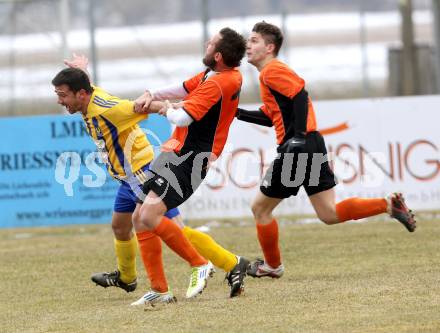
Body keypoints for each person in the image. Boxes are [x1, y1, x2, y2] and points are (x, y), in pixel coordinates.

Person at [51, 49, 247, 306]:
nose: (60, 101)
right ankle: (128, 278)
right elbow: (87, 89)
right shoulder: (88, 96)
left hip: (141, 172)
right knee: (121, 226)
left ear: (81, 94)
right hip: (126, 176)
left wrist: (172, 109)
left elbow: (139, 106)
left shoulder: (107, 109)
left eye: (62, 96)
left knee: (169, 229)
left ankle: (228, 263)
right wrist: (81, 71)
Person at [236, 21, 416, 279]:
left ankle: (272, 266)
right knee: (328, 213)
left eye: (254, 41)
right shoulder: (271, 75)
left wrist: (297, 138)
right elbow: (272, 115)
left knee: (260, 209)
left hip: (297, 148)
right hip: (310, 144)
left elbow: (300, 95)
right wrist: (238, 113)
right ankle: (388, 204)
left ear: (270, 47)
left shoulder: (271, 71)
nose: (247, 45)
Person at [130, 27, 248, 305]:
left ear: (217, 55)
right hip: (175, 152)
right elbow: (184, 88)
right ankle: (159, 290)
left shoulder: (218, 83)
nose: (206, 44)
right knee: (139, 217)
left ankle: (199, 264)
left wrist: (163, 108)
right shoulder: (217, 75)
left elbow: (182, 118)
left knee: (148, 216)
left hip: (190, 159)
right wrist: (151, 93)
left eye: (211, 44)